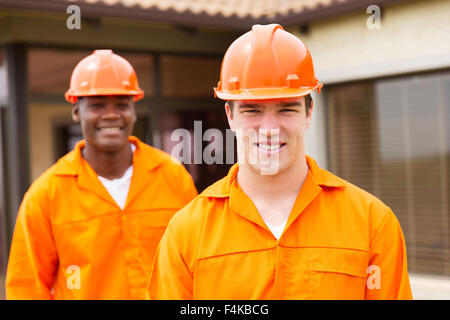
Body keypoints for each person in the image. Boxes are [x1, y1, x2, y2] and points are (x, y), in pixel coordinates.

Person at [148, 24, 412, 299]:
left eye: (287, 108)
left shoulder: (372, 223)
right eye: (253, 110)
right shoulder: (187, 232)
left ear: (309, 113)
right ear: (230, 116)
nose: (270, 128)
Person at [6, 50, 198, 299]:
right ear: (76, 111)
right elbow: (27, 288)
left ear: (134, 110)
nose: (111, 114)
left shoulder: (173, 178)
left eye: (121, 104)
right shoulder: (46, 195)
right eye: (97, 105)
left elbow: (197, 266)